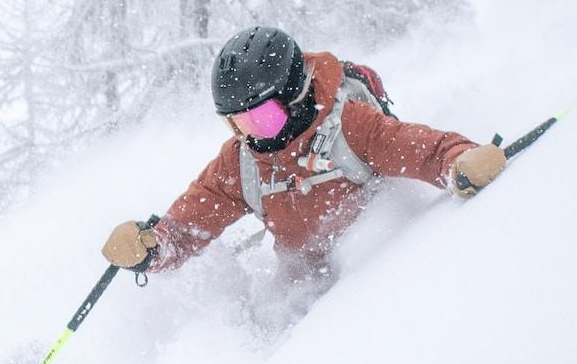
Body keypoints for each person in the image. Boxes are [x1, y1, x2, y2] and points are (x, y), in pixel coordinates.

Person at [102, 26, 505, 285]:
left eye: (261, 119)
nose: (251, 135)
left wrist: (461, 162)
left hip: (372, 276)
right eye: (236, 124)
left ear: (295, 96)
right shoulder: (242, 162)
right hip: (301, 291)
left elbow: (422, 149)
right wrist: (151, 248)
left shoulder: (350, 127)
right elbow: (188, 229)